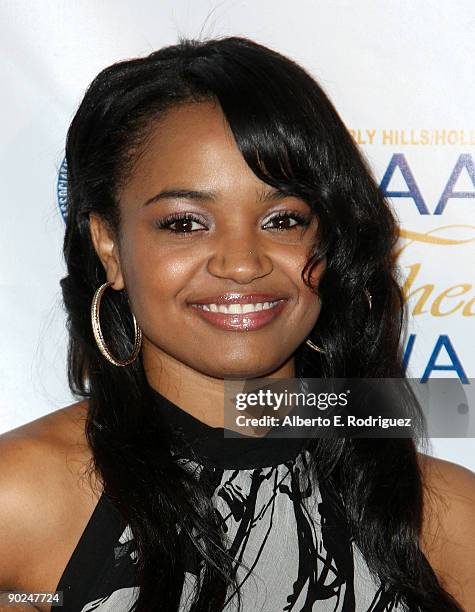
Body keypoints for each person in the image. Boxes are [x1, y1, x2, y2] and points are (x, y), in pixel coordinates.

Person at [0, 36, 473, 612]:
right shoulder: (19, 502)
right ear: (108, 245)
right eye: (184, 224)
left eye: (282, 218)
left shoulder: (448, 520)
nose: (243, 263)